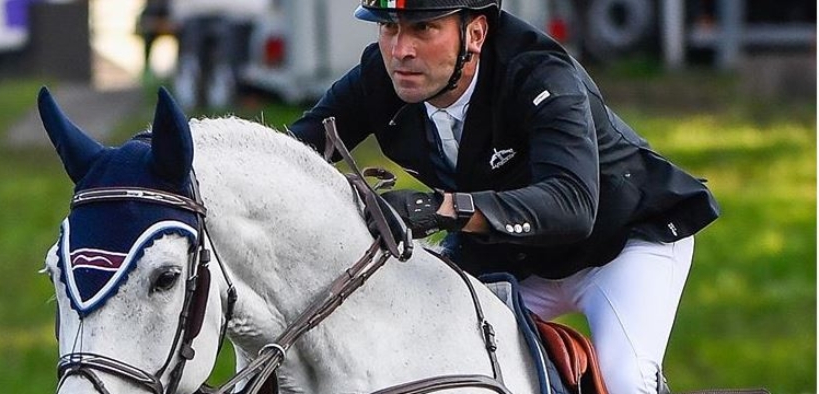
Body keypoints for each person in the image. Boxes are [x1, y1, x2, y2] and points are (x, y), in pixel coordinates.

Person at [288, 1, 719, 393]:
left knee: (627, 379)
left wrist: (441, 209)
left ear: (474, 34)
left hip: (621, 245)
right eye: (388, 28)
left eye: (423, 28)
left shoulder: (540, 74)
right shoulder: (381, 77)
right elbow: (289, 153)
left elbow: (572, 206)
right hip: (510, 254)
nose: (401, 50)